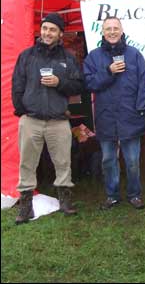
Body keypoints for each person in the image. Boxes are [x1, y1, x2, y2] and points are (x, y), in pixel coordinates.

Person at [12, 12, 84, 224]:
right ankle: (25, 207)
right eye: (45, 28)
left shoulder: (68, 58)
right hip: (31, 120)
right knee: (27, 163)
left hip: (58, 120)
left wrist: (59, 82)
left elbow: (79, 85)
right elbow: (17, 85)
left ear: (60, 33)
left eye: (52, 29)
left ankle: (65, 202)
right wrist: (22, 111)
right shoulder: (27, 56)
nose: (47, 33)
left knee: (63, 162)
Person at [84, 16, 145, 210]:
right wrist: (108, 71)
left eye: (115, 28)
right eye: (108, 29)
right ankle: (112, 195)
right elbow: (89, 83)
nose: (112, 32)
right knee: (108, 160)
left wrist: (140, 108)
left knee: (132, 160)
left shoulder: (134, 55)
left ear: (122, 31)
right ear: (103, 32)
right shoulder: (94, 56)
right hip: (106, 116)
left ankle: (134, 194)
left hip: (130, 116)